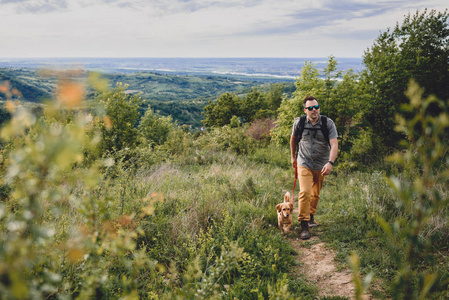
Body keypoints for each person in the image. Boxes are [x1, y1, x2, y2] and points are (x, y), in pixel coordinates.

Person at [290, 95, 338, 240]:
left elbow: (334, 144)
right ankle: (304, 225)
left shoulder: (327, 123)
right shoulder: (299, 122)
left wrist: (330, 163)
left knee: (315, 193)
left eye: (316, 107)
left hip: (321, 164)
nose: (314, 110)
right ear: (305, 110)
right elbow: (293, 139)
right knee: (305, 192)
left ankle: (311, 216)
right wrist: (293, 157)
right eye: (310, 108)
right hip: (304, 161)